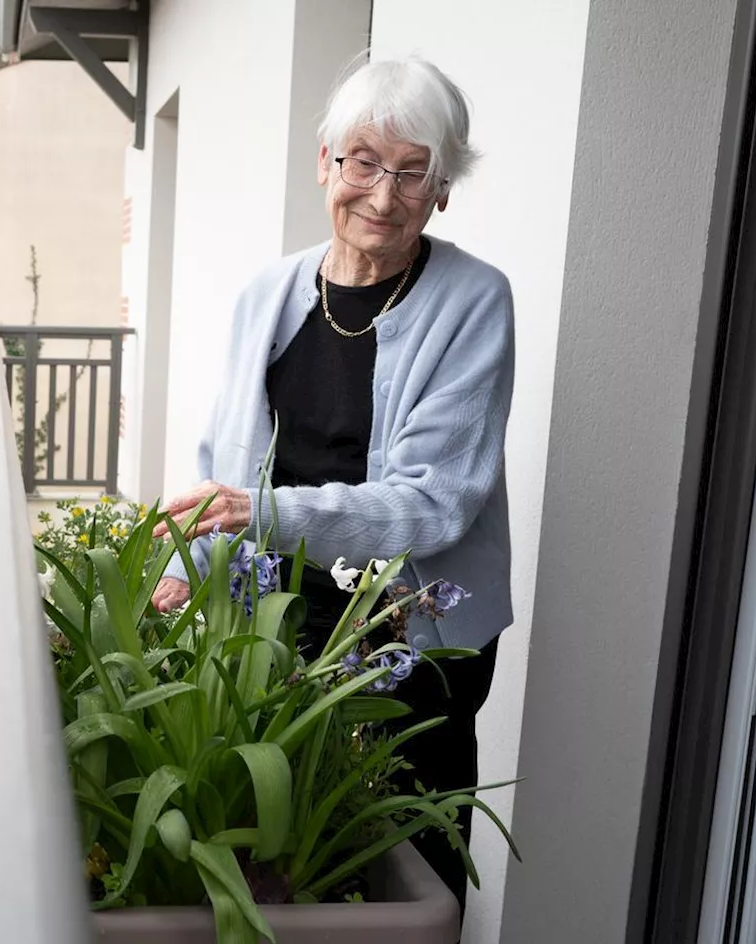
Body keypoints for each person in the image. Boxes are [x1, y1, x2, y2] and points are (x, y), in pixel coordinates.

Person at [149, 56, 514, 920]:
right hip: (276, 616)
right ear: (325, 164)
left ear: (443, 192)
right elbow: (225, 467)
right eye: (363, 162)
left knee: (400, 862)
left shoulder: (474, 301)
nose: (382, 196)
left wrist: (261, 516)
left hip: (407, 632)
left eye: (413, 173)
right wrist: (190, 569)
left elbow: (438, 502)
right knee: (286, 853)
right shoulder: (267, 294)